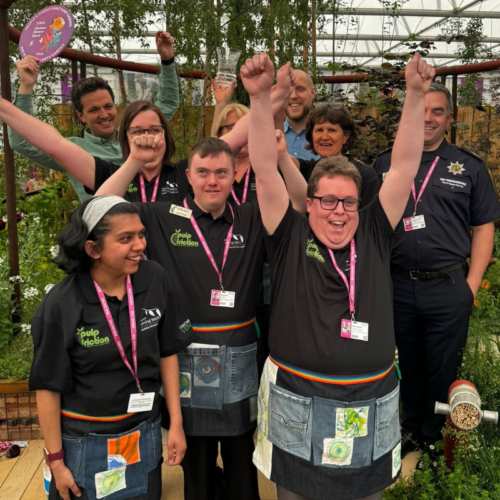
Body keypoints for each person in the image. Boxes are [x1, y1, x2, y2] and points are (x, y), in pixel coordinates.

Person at [92, 62, 306, 500]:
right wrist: (134, 159)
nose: (212, 181)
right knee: (199, 471)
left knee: (244, 463)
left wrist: (265, 99)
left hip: (243, 352)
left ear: (234, 177)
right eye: (203, 173)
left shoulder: (251, 215)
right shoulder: (161, 217)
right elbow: (99, 207)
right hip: (188, 357)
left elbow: (269, 171)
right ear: (187, 178)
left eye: (221, 173)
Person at [240, 52, 434, 500]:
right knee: (295, 494)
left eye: (347, 201)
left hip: (369, 396)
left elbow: (404, 166)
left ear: (359, 204)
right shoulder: (286, 234)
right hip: (296, 395)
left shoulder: (374, 230)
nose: (338, 211)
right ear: (309, 203)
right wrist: (257, 99)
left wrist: (416, 94)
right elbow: (265, 171)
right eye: (327, 200)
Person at [29, 195, 193, 500]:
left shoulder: (154, 278)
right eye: (125, 238)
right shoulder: (61, 306)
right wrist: (56, 461)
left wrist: (176, 424)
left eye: (141, 234)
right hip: (84, 442)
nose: (140, 245)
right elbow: (47, 389)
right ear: (93, 249)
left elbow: (167, 352)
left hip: (143, 431)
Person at [373, 82, 500, 455]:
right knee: (404, 364)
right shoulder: (386, 163)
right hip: (396, 285)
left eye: (437, 111)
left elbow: (484, 228)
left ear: (449, 118)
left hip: (447, 285)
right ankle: (409, 432)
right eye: (421, 110)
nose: (427, 118)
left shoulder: (468, 167)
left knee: (443, 368)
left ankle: (436, 443)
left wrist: (470, 287)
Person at [8, 31, 180, 202]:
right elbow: (21, 142)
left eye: (108, 106)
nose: (104, 114)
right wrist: (25, 86)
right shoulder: (72, 150)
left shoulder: (135, 134)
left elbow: (167, 104)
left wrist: (167, 60)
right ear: (80, 116)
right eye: (94, 110)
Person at [291, 103, 381, 209]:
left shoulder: (365, 175)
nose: (324, 137)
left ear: (345, 137)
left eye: (332, 130)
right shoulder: (305, 170)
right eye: (319, 130)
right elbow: (279, 156)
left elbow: (369, 220)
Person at [283, 70, 319, 161]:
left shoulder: (327, 137)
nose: (293, 96)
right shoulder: (271, 135)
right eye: (288, 89)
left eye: (300, 89)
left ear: (312, 93)